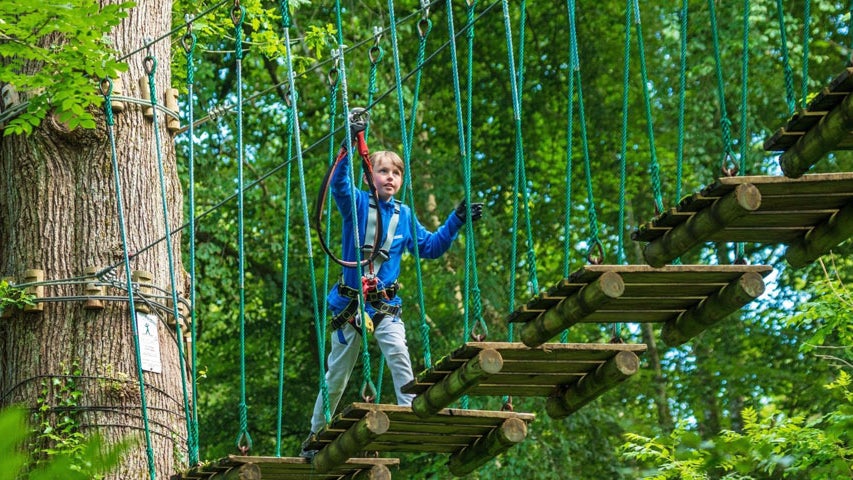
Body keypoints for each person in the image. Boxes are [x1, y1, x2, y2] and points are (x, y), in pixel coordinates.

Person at [301, 144, 483, 459]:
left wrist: (456, 219)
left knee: (399, 352)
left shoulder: (405, 215)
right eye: (383, 171)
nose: (390, 178)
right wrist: (349, 144)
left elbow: (431, 247)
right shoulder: (356, 204)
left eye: (396, 173)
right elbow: (339, 185)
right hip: (350, 306)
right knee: (337, 375)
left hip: (384, 305)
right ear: (369, 176)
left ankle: (408, 408)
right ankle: (315, 435)